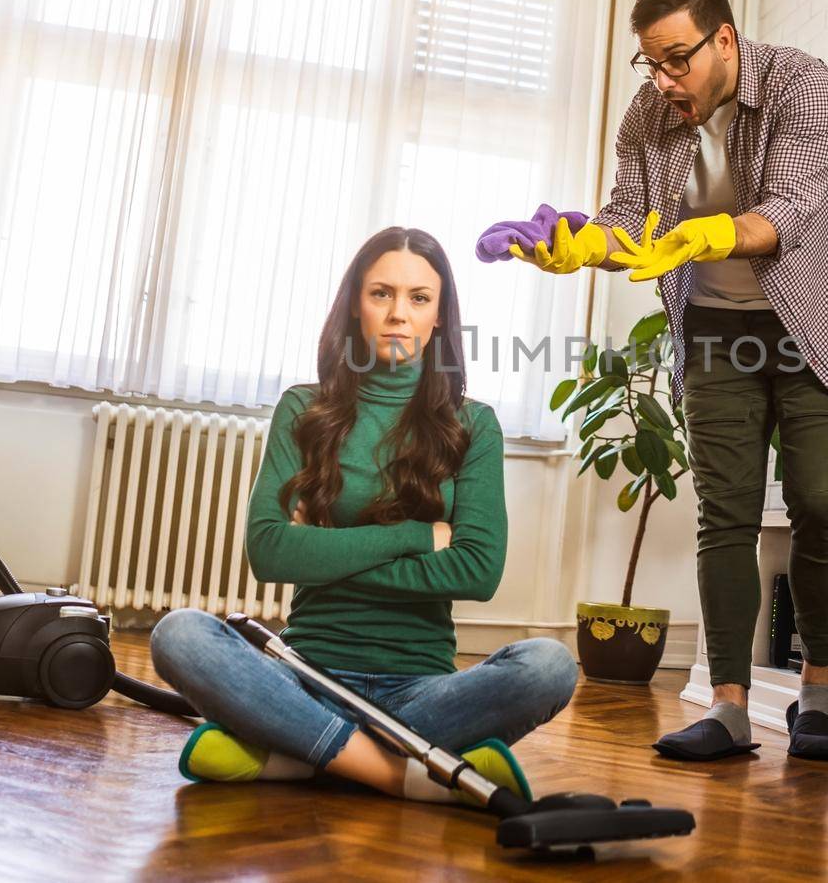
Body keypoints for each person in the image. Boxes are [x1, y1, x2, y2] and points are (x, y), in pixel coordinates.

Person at [477, 0, 828, 762]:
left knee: (819, 503)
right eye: (650, 64)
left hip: (816, 325)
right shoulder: (650, 112)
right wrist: (583, 244)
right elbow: (629, 212)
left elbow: (795, 205)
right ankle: (729, 708)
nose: (663, 81)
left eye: (676, 60)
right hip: (714, 332)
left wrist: (710, 234)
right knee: (724, 512)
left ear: (723, 39)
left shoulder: (804, 84)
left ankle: (820, 698)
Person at [151, 227, 578, 804]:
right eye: (382, 293)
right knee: (180, 635)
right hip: (304, 677)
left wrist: (324, 555)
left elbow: (477, 571)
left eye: (418, 298)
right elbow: (269, 552)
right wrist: (415, 536)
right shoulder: (304, 409)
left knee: (548, 665)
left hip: (421, 690)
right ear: (356, 304)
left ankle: (296, 755)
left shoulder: (474, 425)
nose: (399, 313)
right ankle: (397, 772)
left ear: (439, 316)